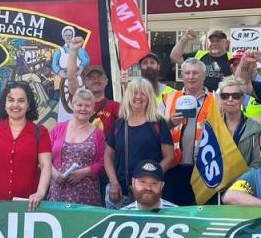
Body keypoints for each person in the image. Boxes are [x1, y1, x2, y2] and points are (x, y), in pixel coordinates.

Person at [105, 78, 174, 208]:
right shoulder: (119, 124)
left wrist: (150, 180)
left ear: (149, 97)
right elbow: (108, 156)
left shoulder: (158, 123)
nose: (138, 97)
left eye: (143, 93)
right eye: (134, 93)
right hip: (121, 193)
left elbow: (169, 157)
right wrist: (113, 182)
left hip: (148, 193)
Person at [163, 58, 217, 205]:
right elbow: (157, 131)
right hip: (174, 167)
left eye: (195, 73)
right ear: (182, 75)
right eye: (187, 73)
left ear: (204, 76)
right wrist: (169, 123)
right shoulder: (168, 98)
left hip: (204, 168)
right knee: (174, 211)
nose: (191, 77)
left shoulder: (216, 99)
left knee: (202, 213)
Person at [48, 88, 106, 206]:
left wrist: (84, 172)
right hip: (58, 190)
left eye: (87, 106)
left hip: (86, 193)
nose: (83, 109)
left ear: (93, 109)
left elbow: (103, 161)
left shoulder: (98, 133)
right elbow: (45, 155)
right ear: (73, 106)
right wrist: (53, 173)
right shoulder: (58, 128)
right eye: (79, 105)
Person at [66, 37, 119, 136]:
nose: (96, 80)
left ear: (106, 81)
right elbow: (71, 77)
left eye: (99, 77)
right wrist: (73, 50)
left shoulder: (114, 107)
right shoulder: (80, 101)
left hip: (106, 151)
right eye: (91, 77)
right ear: (85, 82)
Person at [218, 76, 261, 169]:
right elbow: (200, 155)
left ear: (242, 99)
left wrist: (241, 180)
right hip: (216, 181)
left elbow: (258, 161)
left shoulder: (255, 129)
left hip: (244, 180)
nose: (230, 99)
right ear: (221, 99)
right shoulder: (211, 126)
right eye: (225, 96)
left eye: (236, 96)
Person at [229, 51, 261, 124]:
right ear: (232, 68)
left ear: (254, 65)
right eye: (236, 64)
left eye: (245, 64)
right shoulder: (224, 89)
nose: (239, 67)